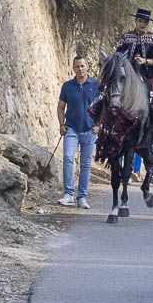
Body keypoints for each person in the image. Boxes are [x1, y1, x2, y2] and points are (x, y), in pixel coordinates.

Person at [115, 8, 153, 137]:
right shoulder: (126, 37)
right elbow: (118, 55)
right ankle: (105, 122)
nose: (142, 24)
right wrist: (127, 63)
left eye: (145, 22)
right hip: (127, 74)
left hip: (148, 74)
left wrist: (144, 61)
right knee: (111, 90)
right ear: (136, 21)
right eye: (140, 21)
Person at [57, 56, 100, 209]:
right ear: (73, 68)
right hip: (71, 129)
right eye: (77, 66)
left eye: (82, 66)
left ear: (87, 67)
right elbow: (61, 107)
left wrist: (99, 125)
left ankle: (82, 197)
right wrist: (61, 124)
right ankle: (68, 194)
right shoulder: (67, 86)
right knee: (68, 158)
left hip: (90, 130)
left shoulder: (96, 85)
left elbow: (104, 107)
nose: (80, 69)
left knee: (86, 164)